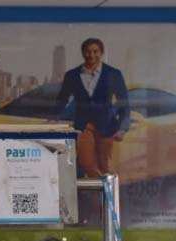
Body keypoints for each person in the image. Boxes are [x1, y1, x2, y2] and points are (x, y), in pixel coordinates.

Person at [56, 38, 131, 178]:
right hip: (83, 126)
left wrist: (122, 129)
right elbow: (62, 100)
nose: (91, 55)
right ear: (83, 53)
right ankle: (99, 188)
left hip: (107, 126)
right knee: (86, 163)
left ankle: (105, 191)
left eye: (95, 51)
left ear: (101, 53)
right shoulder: (72, 75)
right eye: (88, 51)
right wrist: (54, 118)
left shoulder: (113, 74)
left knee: (105, 166)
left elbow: (123, 103)